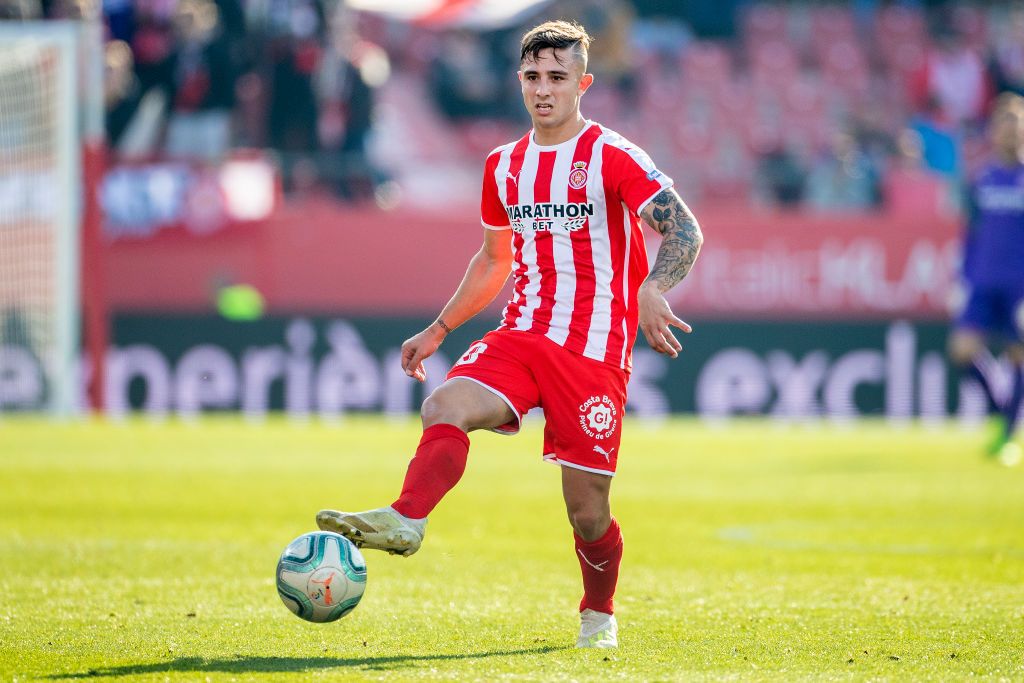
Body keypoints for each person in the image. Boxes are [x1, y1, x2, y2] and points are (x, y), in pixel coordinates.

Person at [316, 21, 703, 648]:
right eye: (532, 77)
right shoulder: (505, 165)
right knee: (445, 403)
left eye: (557, 77)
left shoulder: (614, 156)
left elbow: (684, 229)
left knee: (586, 510)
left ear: (583, 82)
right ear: (518, 81)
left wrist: (653, 287)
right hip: (521, 335)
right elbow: (495, 260)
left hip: (592, 351)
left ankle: (598, 614)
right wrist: (440, 327)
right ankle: (408, 517)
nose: (544, 90)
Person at [948, 93, 1024, 466]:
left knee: (1019, 356)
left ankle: (1009, 438)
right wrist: (961, 278)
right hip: (982, 281)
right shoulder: (982, 179)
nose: (1010, 128)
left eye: (1016, 121)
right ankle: (1000, 410)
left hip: (1019, 286)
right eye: (1004, 121)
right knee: (962, 350)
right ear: (993, 131)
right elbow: (971, 233)